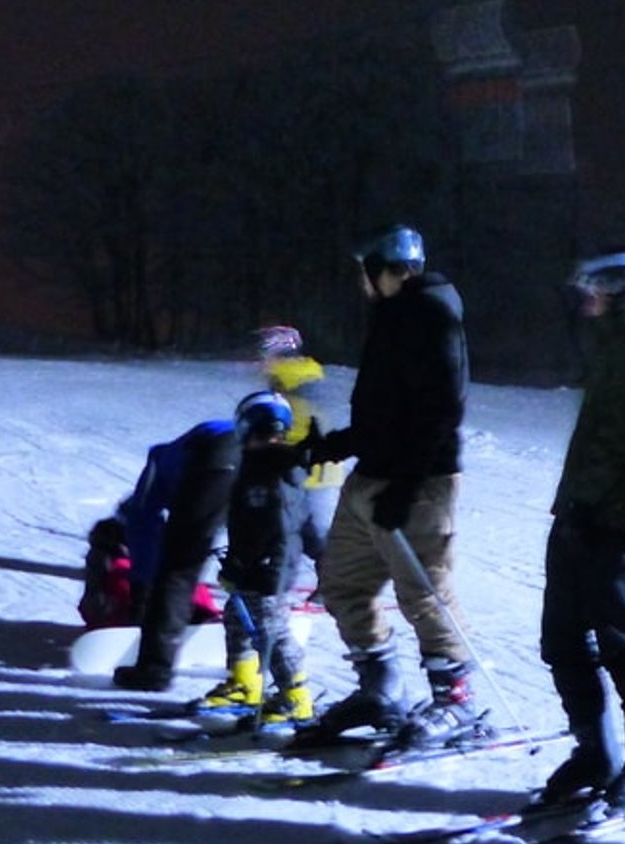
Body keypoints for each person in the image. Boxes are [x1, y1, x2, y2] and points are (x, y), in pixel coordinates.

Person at [291, 224, 479, 750]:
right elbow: (388, 409)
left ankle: (455, 700)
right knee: (342, 583)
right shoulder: (393, 316)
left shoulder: (434, 315)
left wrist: (407, 483)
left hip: (418, 482)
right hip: (372, 475)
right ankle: (380, 688)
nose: (361, 282)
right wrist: (335, 445)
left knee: (424, 591)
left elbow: (442, 411)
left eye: (366, 271)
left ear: (385, 268)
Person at [533, 246, 625, 811]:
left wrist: (585, 504)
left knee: (622, 642)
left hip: (617, 521)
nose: (585, 296)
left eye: (594, 286)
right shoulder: (618, 345)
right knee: (562, 638)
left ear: (623, 288)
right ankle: (595, 750)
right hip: (583, 514)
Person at [193, 391, 316, 727]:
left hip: (269, 566)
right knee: (237, 615)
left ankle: (296, 696)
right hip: (257, 562)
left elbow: (273, 523)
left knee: (270, 629)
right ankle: (246, 683)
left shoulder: (270, 470)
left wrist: (244, 564)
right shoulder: (262, 464)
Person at [110, 418, 240, 691]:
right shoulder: (177, 453)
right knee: (253, 567)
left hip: (215, 454)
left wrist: (142, 591)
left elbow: (143, 521)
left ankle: (154, 670)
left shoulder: (158, 460)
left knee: (177, 572)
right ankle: (250, 662)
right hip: (263, 446)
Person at [255, 325, 344, 593]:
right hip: (310, 463)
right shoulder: (301, 374)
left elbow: (286, 422)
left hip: (304, 465)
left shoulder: (285, 378)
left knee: (304, 528)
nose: (261, 360)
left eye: (264, 353)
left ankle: (333, 582)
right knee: (289, 522)